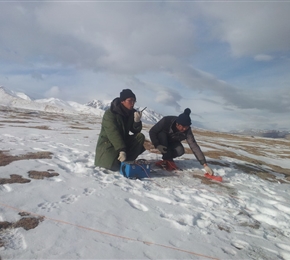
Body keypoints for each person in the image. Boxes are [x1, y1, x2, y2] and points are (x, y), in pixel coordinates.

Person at [149, 108, 214, 175]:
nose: (184, 129)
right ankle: (167, 159)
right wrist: (157, 144)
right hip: (162, 140)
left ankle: (168, 159)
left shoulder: (187, 131)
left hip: (173, 142)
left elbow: (193, 145)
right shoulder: (166, 121)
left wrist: (204, 164)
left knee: (180, 151)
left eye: (187, 127)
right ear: (177, 124)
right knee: (162, 135)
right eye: (183, 127)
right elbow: (152, 131)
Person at [94, 89, 145, 171]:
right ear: (122, 101)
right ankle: (118, 159)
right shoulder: (110, 113)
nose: (132, 103)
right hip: (108, 143)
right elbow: (113, 133)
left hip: (123, 141)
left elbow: (136, 131)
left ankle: (128, 161)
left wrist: (137, 122)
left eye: (134, 101)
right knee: (110, 165)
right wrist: (122, 150)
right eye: (130, 100)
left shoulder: (132, 113)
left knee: (140, 137)